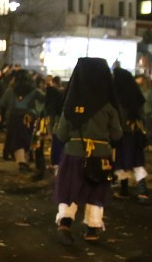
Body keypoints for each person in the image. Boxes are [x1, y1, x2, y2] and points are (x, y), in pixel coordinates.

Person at [52, 57, 123, 243]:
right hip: (100, 155)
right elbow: (117, 134)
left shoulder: (71, 104)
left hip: (74, 152)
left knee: (69, 188)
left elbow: (61, 134)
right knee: (96, 190)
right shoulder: (108, 106)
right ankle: (92, 229)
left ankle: (65, 223)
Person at [112, 67, 151, 199]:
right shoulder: (136, 95)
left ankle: (124, 189)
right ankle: (142, 190)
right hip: (135, 133)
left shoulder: (118, 97)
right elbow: (142, 115)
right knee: (137, 161)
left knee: (122, 161)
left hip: (122, 134)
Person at [0, 69, 41, 173]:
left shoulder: (11, 90)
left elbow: (3, 104)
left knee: (16, 140)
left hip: (14, 118)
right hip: (28, 118)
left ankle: (21, 160)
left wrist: (3, 118)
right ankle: (23, 160)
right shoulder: (34, 90)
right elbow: (41, 103)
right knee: (26, 138)